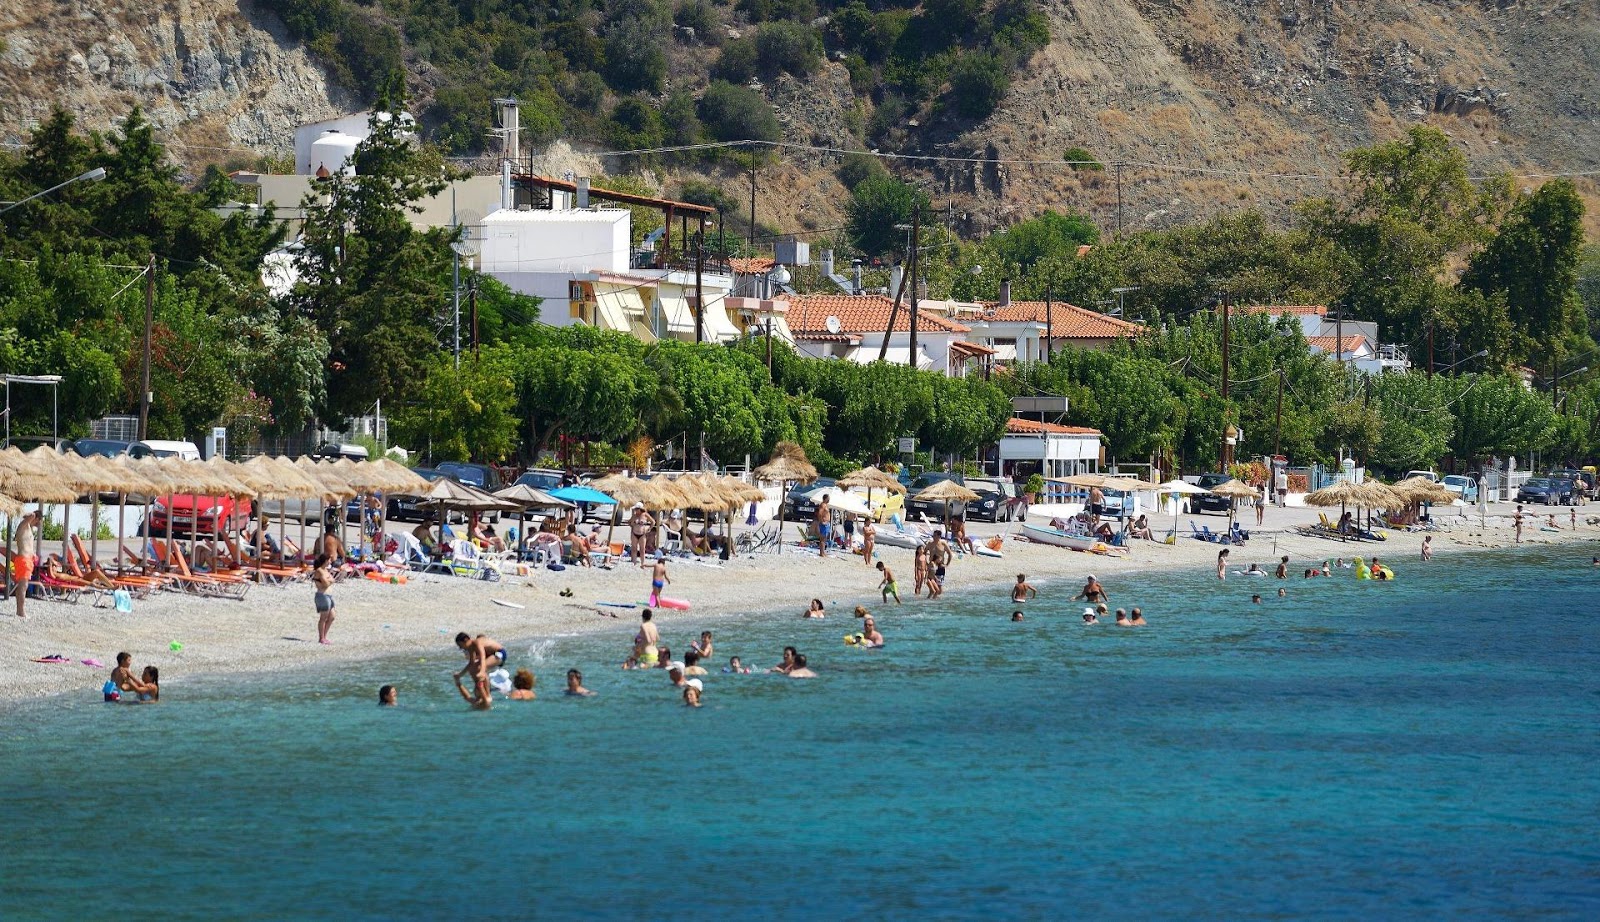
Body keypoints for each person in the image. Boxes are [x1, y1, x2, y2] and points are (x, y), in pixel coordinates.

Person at [454, 632, 506, 702]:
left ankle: (487, 695)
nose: (461, 648)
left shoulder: (476, 642)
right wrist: (460, 674)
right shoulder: (470, 648)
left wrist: (482, 671)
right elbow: (471, 663)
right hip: (490, 655)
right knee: (472, 669)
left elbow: (482, 656)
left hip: (499, 654)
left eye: (460, 645)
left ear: (466, 640)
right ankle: (480, 688)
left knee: (480, 668)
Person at [11, 510, 39, 619]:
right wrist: (33, 515)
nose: (37, 524)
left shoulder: (28, 528)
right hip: (23, 560)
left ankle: (20, 610)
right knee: (23, 586)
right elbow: (30, 515)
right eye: (38, 522)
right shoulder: (24, 525)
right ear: (35, 518)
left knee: (23, 586)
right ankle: (21, 611)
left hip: (27, 560)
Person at [312, 553, 336, 644]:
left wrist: (330, 580)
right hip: (322, 595)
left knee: (332, 616)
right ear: (325, 561)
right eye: (329, 560)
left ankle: (324, 636)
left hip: (329, 595)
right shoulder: (319, 571)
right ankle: (321, 637)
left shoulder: (325, 570)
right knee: (323, 617)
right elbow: (325, 584)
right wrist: (330, 580)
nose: (330, 561)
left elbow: (332, 580)